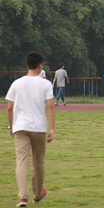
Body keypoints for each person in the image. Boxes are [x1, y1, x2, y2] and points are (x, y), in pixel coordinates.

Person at [5, 51, 54, 207]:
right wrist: (52, 128)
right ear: (40, 66)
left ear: (27, 65)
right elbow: (50, 106)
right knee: (38, 161)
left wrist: (11, 126)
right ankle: (38, 194)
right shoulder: (45, 84)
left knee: (21, 161)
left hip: (20, 127)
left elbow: (9, 108)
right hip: (38, 127)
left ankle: (22, 197)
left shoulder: (16, 83)